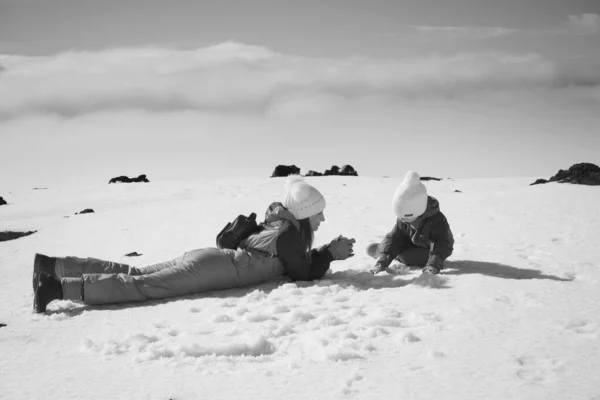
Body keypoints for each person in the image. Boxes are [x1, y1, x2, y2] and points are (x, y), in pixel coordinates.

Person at [33, 175, 356, 313]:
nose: (323, 221)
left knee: (136, 272)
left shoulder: (277, 225)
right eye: (319, 214)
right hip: (212, 267)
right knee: (141, 286)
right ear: (305, 213)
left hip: (211, 257)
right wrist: (329, 253)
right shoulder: (289, 235)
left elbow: (292, 260)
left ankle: (53, 265)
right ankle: (58, 288)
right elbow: (302, 273)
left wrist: (321, 252)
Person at [368, 171, 454, 275]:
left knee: (406, 257)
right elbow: (395, 237)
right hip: (413, 243)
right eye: (401, 217)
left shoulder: (436, 219)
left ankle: (392, 253)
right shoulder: (404, 219)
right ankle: (385, 252)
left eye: (407, 217)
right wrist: (383, 260)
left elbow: (442, 243)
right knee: (389, 244)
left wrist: (433, 264)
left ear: (417, 211)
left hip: (432, 252)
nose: (403, 220)